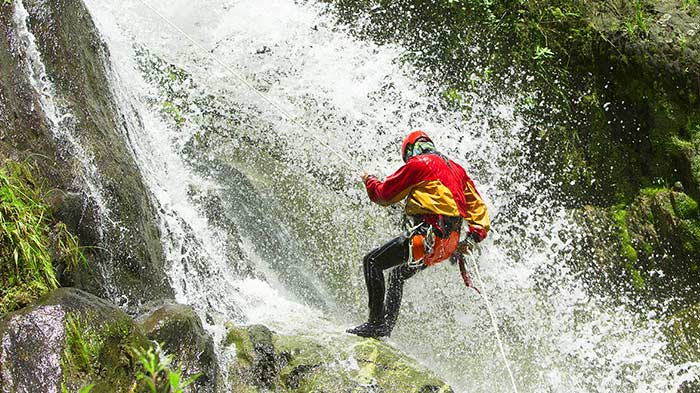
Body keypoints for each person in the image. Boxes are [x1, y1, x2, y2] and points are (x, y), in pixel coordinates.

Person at [347, 130, 490, 338]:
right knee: (397, 274)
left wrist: (369, 181)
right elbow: (478, 209)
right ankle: (385, 327)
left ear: (410, 150)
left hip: (428, 238)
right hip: (448, 245)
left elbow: (384, 195)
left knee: (372, 262)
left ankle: (375, 323)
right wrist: (473, 237)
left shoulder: (418, 164)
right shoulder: (458, 170)